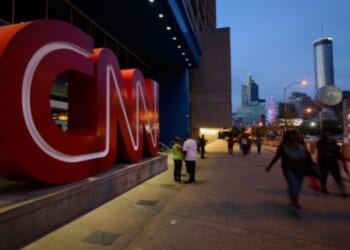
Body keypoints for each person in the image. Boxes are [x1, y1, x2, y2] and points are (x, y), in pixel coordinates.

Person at [266, 129, 312, 209]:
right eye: (292, 135)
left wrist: (312, 165)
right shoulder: (283, 146)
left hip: (301, 169)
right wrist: (270, 165)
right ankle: (294, 202)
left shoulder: (302, 145)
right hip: (289, 169)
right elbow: (277, 157)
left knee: (298, 186)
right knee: (293, 184)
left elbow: (308, 156)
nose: (295, 136)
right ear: (287, 137)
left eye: (296, 135)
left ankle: (295, 200)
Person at [316, 130, 349, 196]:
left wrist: (343, 161)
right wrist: (332, 154)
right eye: (326, 135)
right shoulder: (320, 143)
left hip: (333, 162)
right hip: (324, 162)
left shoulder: (333, 142)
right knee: (323, 176)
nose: (328, 137)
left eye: (329, 135)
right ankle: (324, 189)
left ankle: (343, 191)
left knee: (337, 177)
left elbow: (338, 152)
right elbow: (322, 152)